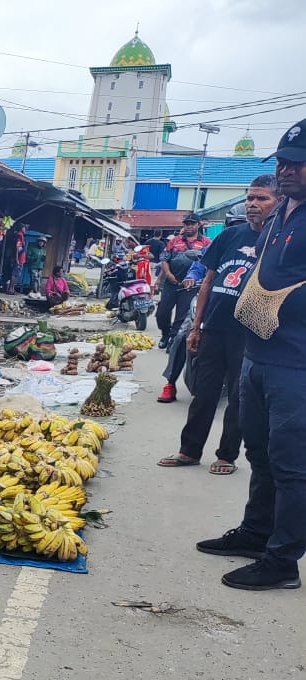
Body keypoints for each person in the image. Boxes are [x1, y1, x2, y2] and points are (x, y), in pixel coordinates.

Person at [198, 120, 306, 591]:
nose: (285, 171)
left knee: (292, 465)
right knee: (259, 452)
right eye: (282, 162)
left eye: (296, 163)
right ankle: (256, 534)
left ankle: (282, 561)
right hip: (259, 355)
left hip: (298, 363)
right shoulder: (282, 213)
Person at [158, 176, 280, 469]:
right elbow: (208, 281)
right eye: (250, 198)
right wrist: (196, 326)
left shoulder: (280, 240)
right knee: (204, 392)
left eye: (262, 198)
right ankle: (189, 451)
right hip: (213, 326)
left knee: (239, 399)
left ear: (279, 202)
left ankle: (226, 456)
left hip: (249, 333)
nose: (253, 204)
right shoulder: (229, 236)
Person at [157, 214, 212, 348]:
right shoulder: (174, 241)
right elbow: (164, 258)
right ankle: (165, 334)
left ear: (198, 225)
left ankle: (173, 340)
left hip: (190, 286)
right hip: (171, 282)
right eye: (187, 224)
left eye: (192, 224)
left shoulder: (206, 243)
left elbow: (209, 263)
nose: (189, 226)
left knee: (181, 316)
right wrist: (168, 274)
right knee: (162, 312)